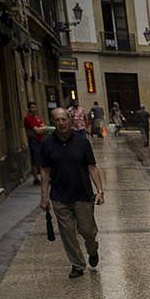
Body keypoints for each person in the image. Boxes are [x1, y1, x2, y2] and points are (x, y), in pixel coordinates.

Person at [39, 108, 105, 279]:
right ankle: (77, 264)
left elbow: (92, 167)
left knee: (88, 231)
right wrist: (44, 197)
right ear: (53, 122)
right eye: (57, 120)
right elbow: (45, 172)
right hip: (59, 196)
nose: (61, 123)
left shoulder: (82, 141)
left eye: (63, 119)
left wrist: (100, 191)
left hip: (82, 194)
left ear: (70, 120)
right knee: (68, 232)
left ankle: (92, 249)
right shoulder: (47, 144)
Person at [23, 101, 47, 185]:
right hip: (34, 140)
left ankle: (43, 177)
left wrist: (42, 129)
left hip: (41, 140)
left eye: (35, 107)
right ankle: (36, 178)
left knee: (42, 158)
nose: (34, 109)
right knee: (36, 159)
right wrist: (42, 129)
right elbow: (37, 130)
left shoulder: (37, 118)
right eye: (32, 107)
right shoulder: (28, 118)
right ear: (29, 108)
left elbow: (43, 126)